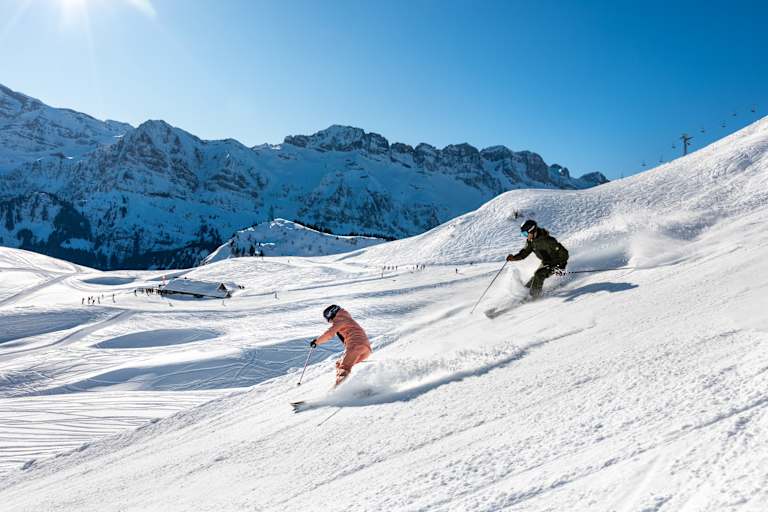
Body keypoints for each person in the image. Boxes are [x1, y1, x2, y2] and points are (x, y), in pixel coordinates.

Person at [310, 305, 372, 387]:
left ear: (331, 314)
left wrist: (316, 342)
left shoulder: (340, 320)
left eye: (329, 319)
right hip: (365, 349)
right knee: (340, 363)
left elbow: (329, 333)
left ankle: (339, 389)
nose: (330, 322)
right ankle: (357, 388)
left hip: (355, 346)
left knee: (344, 367)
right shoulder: (346, 318)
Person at [506, 219, 568, 299]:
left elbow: (564, 253)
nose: (525, 236)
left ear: (531, 230)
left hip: (555, 263)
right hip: (545, 263)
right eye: (523, 234)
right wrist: (513, 258)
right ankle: (523, 294)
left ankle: (534, 297)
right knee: (532, 281)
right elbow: (524, 253)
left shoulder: (548, 240)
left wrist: (561, 266)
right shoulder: (531, 242)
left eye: (525, 233)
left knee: (539, 275)